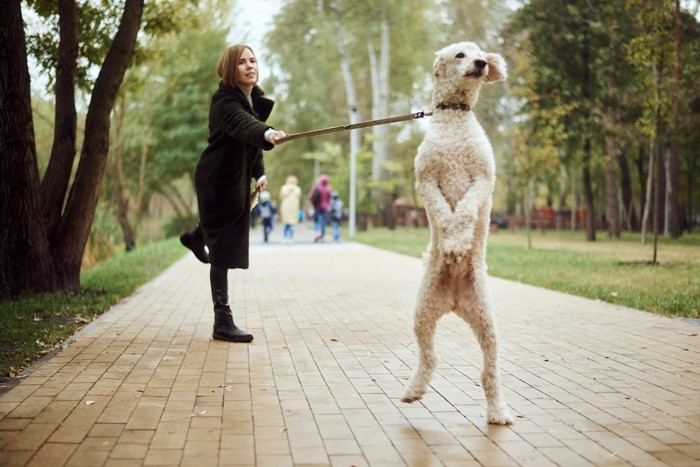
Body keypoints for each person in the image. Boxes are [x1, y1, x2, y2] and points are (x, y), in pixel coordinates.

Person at [179, 44, 286, 343]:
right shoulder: (224, 101)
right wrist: (267, 133)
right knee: (223, 252)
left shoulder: (253, 100)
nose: (250, 66)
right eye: (242, 62)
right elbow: (243, 126)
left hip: (236, 180)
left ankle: (197, 236)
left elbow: (249, 143)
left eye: (253, 60)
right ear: (230, 69)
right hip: (217, 181)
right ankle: (222, 322)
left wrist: (259, 173)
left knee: (222, 235)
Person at [279, 175, 302, 244]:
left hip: (285, 207)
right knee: (292, 224)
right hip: (294, 208)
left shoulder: (284, 188)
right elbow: (299, 197)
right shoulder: (297, 189)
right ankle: (291, 238)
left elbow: (281, 196)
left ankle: (285, 237)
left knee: (285, 224)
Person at [309, 174, 332, 243]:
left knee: (316, 221)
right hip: (325, 207)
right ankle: (322, 236)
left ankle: (317, 233)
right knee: (323, 222)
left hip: (317, 207)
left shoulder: (316, 187)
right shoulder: (328, 188)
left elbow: (310, 196)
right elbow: (329, 198)